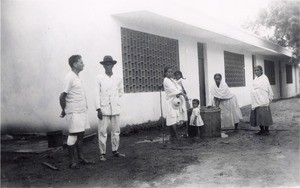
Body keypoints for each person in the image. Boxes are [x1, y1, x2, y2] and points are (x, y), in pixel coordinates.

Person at [59, 55, 94, 169]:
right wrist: (64, 110)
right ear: (74, 64)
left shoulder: (78, 77)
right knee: (73, 135)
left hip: (82, 110)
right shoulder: (69, 77)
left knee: (81, 134)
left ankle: (81, 158)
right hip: (73, 111)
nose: (83, 64)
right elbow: (62, 96)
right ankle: (72, 161)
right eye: (81, 62)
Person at [95, 55, 125, 161]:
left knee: (116, 130)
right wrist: (98, 108)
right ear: (103, 66)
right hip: (104, 108)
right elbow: (96, 94)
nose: (108, 66)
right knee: (102, 131)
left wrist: (114, 99)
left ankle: (115, 150)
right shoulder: (99, 78)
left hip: (115, 107)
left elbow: (121, 91)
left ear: (113, 65)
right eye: (106, 64)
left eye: (110, 64)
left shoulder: (118, 78)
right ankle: (102, 153)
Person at [163, 67, 188, 143]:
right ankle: (176, 136)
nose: (170, 73)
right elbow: (173, 90)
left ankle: (172, 136)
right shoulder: (166, 80)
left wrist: (179, 92)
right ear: (165, 73)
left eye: (171, 72)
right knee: (172, 118)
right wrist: (182, 93)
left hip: (176, 101)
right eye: (168, 72)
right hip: (171, 101)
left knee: (176, 118)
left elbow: (179, 88)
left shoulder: (172, 80)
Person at [250, 65, 274, 136]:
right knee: (258, 115)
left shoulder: (264, 78)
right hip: (256, 100)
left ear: (261, 71)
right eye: (255, 70)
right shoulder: (255, 80)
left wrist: (258, 90)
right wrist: (254, 91)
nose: (256, 72)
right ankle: (261, 130)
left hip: (263, 99)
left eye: (257, 70)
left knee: (265, 115)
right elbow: (253, 88)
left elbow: (266, 88)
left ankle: (266, 130)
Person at [174, 70, 191, 137]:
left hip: (182, 97)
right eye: (176, 75)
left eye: (178, 75)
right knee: (179, 112)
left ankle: (186, 127)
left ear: (181, 75)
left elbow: (185, 89)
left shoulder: (181, 81)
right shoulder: (174, 82)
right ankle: (181, 126)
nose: (177, 76)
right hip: (177, 98)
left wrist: (185, 96)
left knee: (185, 111)